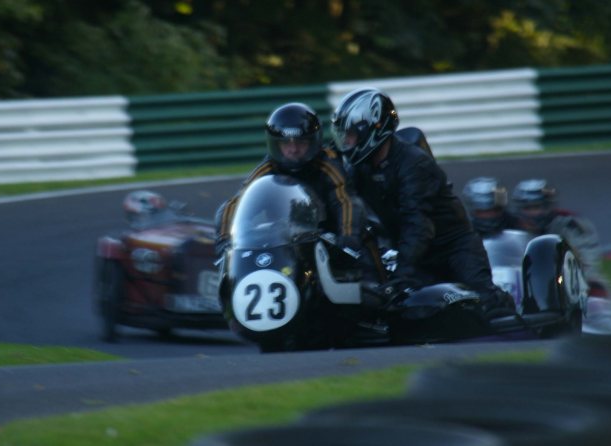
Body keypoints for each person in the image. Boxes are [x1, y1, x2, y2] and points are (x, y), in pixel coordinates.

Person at [331, 88, 516, 318]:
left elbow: (417, 223)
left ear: (372, 130)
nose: (346, 143)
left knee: (486, 304)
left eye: (351, 136)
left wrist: (403, 273)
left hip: (454, 248)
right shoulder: (361, 165)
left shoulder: (414, 164)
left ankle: (513, 318)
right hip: (412, 251)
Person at [215, 102, 370, 272]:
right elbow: (237, 203)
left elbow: (346, 201)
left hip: (329, 244)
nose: (293, 149)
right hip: (280, 246)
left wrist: (347, 240)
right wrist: (225, 242)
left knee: (364, 264)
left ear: (313, 142)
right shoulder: (267, 169)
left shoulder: (328, 166)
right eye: (286, 143)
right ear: (276, 144)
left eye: (301, 143)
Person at [510, 178, 611, 297]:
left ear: (549, 206)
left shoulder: (572, 224)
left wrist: (575, 277)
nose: (533, 213)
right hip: (523, 282)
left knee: (597, 289)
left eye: (537, 207)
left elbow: (588, 259)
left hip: (568, 280)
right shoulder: (510, 227)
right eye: (527, 208)